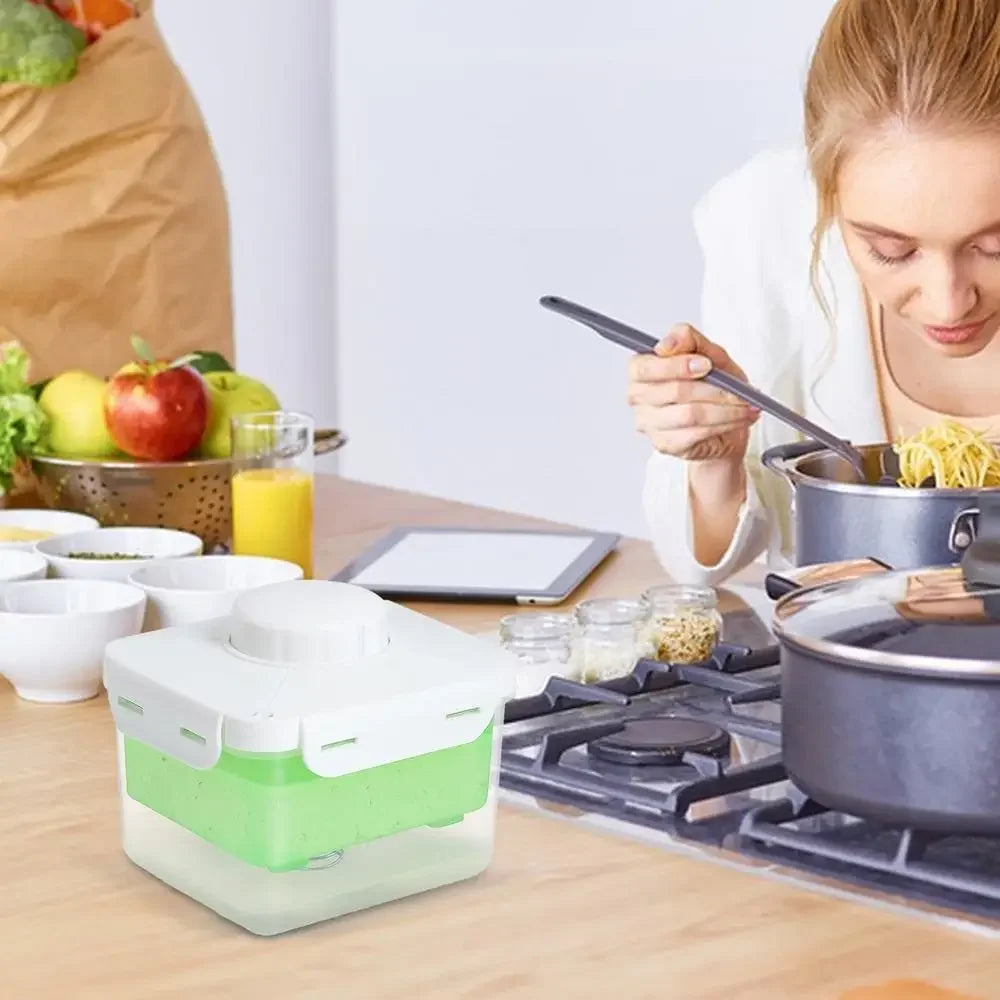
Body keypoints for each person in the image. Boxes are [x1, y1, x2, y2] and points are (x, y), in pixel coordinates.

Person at [628, 0, 1000, 585]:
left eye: (994, 247)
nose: (948, 302)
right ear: (826, 192)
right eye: (892, 251)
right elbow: (700, 569)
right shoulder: (766, 222)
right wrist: (715, 459)